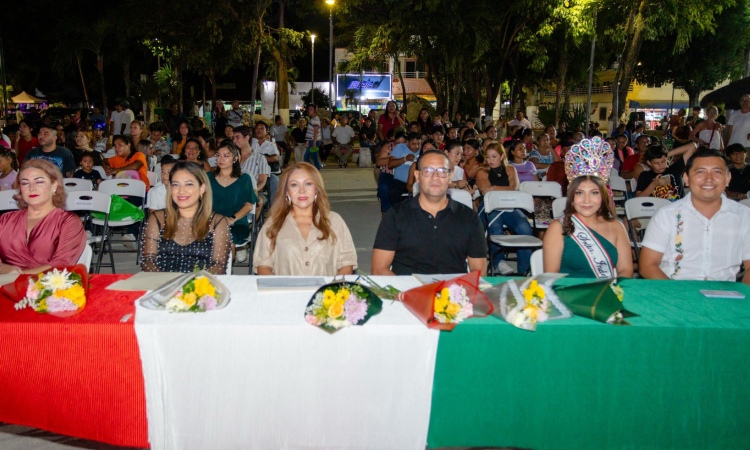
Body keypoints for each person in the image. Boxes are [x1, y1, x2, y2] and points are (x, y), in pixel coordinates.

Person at [640, 148, 750, 283]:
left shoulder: (744, 216)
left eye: (717, 172)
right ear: (686, 178)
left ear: (728, 178)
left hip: (725, 291)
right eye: (700, 172)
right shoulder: (666, 215)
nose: (709, 178)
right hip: (674, 288)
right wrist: (677, 293)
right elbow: (647, 266)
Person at [372, 150, 487, 275]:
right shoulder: (395, 215)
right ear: (417, 176)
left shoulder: (469, 218)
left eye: (442, 171)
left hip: (453, 286)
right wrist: (406, 288)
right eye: (428, 171)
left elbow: (479, 271)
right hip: (407, 286)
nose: (435, 177)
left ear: (450, 176)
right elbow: (379, 269)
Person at [543, 137, 633, 278]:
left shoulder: (617, 227)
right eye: (579, 193)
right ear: (571, 196)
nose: (586, 200)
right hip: (569, 291)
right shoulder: (557, 228)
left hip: (607, 290)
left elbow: (626, 271)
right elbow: (550, 277)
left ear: (603, 195)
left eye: (594, 193)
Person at [253, 162, 357, 276]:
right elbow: (263, 266)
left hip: (328, 288)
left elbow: (346, 264)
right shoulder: (273, 224)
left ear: (316, 189)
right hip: (285, 288)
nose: (302, 191)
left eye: (308, 184)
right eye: (294, 185)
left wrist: (334, 287)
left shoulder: (334, 221)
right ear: (286, 192)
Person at [142, 161, 231, 274]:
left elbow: (218, 265)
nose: (181, 191)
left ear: (202, 188)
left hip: (201, 283)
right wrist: (167, 282)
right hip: (163, 282)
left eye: (188, 184)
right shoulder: (157, 219)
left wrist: (193, 282)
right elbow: (148, 260)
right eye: (175, 185)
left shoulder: (217, 222)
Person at [0, 159, 86, 274]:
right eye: (25, 183)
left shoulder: (68, 221)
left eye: (39, 182)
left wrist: (18, 275)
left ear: (54, 185)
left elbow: (62, 265)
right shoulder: (5, 220)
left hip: (48, 283)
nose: (32, 188)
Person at [476, 143, 533, 275]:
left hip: (509, 205)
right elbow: (486, 192)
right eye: (488, 157)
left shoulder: (510, 169)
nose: (490, 160)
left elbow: (514, 188)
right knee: (495, 226)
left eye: (494, 156)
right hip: (490, 206)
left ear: (502, 156)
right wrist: (501, 190)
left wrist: (494, 188)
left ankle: (525, 268)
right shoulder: (482, 171)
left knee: (525, 228)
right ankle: (499, 263)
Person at [208, 142, 258, 263]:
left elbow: (248, 205)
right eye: (218, 155)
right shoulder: (208, 177)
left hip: (236, 222)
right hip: (212, 221)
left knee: (226, 235)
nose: (221, 159)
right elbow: (202, 203)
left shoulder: (244, 179)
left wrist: (232, 219)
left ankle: (223, 269)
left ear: (235, 159)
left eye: (226, 156)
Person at [388, 132, 421, 205]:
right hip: (401, 182)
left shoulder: (422, 149)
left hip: (417, 182)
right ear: (407, 142)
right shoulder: (400, 148)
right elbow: (390, 165)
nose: (416, 146)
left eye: (418, 144)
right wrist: (405, 159)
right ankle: (397, 211)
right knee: (393, 192)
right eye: (413, 144)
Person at [304, 105, 322, 170]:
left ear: (314, 110)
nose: (309, 111)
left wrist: (314, 143)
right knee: (314, 157)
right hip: (312, 141)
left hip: (314, 141)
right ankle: (316, 169)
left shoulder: (315, 119)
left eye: (311, 109)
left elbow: (315, 132)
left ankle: (313, 169)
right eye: (309, 109)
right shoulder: (313, 119)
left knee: (306, 157)